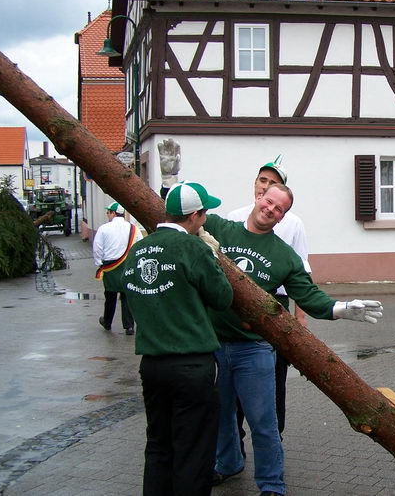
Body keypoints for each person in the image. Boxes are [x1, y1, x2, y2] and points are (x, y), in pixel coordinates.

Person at [158, 140, 383, 496]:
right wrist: (171, 182)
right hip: (213, 343)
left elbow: (309, 296)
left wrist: (341, 309)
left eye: (279, 210)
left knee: (264, 422)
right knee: (220, 418)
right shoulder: (221, 227)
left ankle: (272, 485)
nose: (270, 210)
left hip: (254, 350)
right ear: (259, 198)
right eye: (268, 201)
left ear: (283, 216)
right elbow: (180, 217)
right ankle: (228, 463)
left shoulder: (284, 256)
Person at [122, 181, 234, 496]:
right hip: (191, 366)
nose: (206, 218)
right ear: (195, 216)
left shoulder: (139, 249)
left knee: (159, 445)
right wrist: (212, 257)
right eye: (205, 213)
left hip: (152, 366)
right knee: (193, 451)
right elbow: (222, 297)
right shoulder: (194, 248)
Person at [224, 155, 308, 440]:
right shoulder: (234, 217)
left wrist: (299, 319)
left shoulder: (293, 223)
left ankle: (274, 435)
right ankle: (232, 442)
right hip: (234, 309)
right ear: (255, 183)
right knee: (230, 382)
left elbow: (302, 274)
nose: (265, 187)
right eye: (262, 180)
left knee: (273, 379)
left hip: (275, 308)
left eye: (273, 183)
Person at [93, 202, 142, 335]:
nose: (107, 215)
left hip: (110, 267)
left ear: (113, 213)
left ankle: (107, 322)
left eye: (108, 212)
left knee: (110, 296)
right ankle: (129, 326)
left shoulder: (104, 228)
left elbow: (97, 248)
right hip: (127, 266)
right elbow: (139, 246)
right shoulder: (133, 229)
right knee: (127, 296)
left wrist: (99, 263)